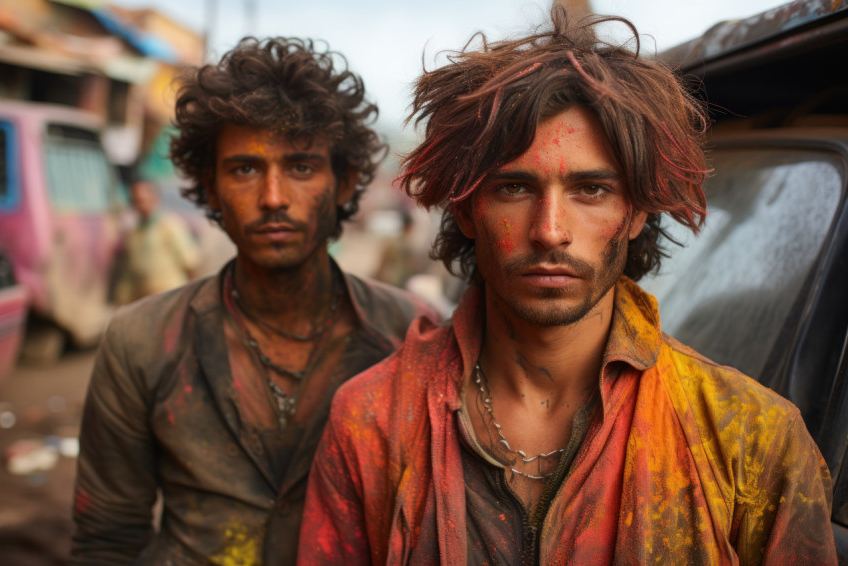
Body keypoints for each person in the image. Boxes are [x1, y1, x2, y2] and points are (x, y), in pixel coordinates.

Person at [298, 10, 837, 565]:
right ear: (465, 209)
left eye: (590, 190)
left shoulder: (750, 439)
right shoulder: (373, 420)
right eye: (513, 187)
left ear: (635, 212)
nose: (550, 231)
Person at [70, 37, 437, 565]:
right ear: (211, 187)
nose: (272, 197)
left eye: (301, 167)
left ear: (344, 183)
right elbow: (106, 538)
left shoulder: (413, 336)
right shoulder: (142, 340)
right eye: (244, 169)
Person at [113, 178, 201, 304]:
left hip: (171, 300)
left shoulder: (171, 226)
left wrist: (192, 297)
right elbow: (129, 274)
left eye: (144, 200)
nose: (141, 205)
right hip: (144, 303)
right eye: (137, 201)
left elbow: (191, 264)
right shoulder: (134, 234)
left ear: (155, 198)